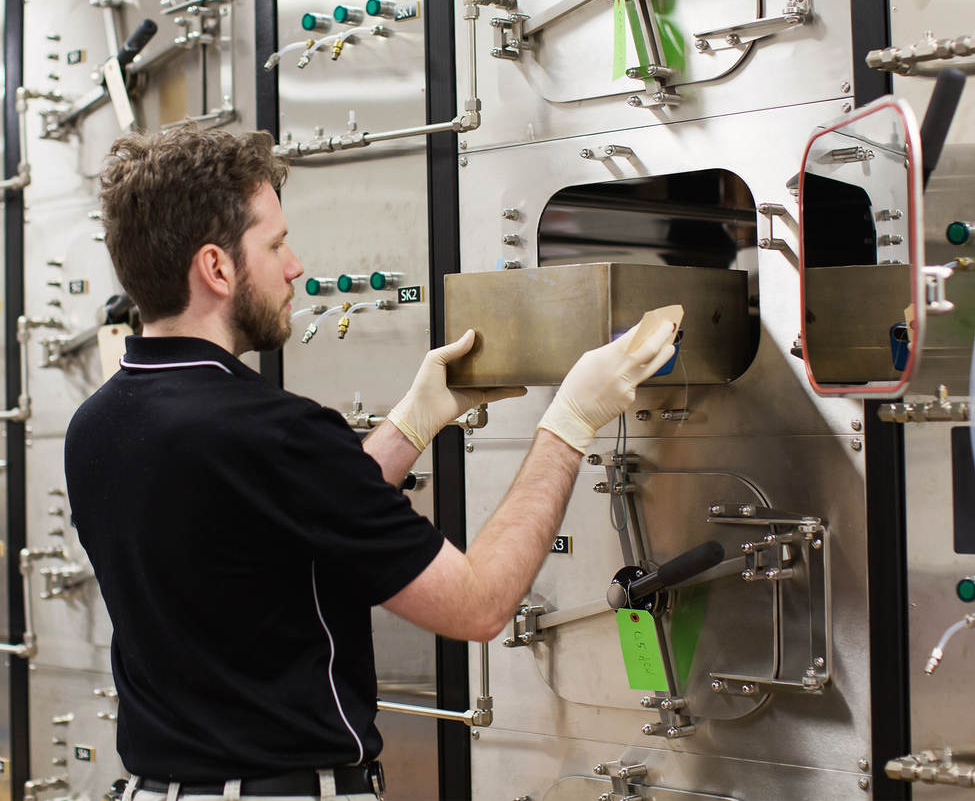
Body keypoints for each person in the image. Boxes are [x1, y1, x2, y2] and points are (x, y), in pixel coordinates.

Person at [63, 127, 677, 801]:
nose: (295, 266)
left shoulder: (97, 426)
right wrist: (569, 421)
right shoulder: (271, 432)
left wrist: (414, 422)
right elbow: (477, 607)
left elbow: (272, 522)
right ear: (216, 268)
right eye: (273, 245)